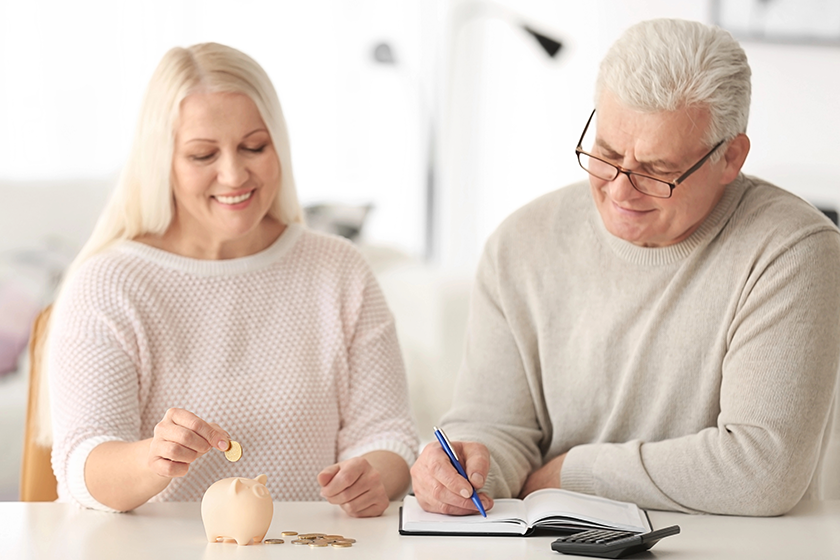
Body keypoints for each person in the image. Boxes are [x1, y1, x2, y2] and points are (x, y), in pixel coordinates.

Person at [410, 18, 840, 517]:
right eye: (607, 154)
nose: (619, 190)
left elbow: (763, 470)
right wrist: (470, 467)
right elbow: (497, 428)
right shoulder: (521, 243)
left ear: (731, 158)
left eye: (657, 171)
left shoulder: (794, 250)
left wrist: (567, 474)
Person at [46, 42, 418, 516]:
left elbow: (388, 434)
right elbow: (82, 463)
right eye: (203, 155)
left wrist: (374, 476)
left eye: (254, 147)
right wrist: (152, 459)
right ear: (164, 162)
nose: (233, 174)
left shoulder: (340, 271)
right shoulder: (109, 284)